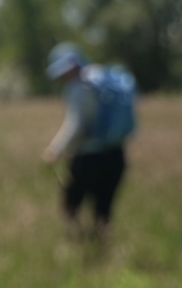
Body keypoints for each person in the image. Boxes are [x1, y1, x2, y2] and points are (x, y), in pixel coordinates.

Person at [42, 43, 133, 241]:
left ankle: (74, 245)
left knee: (71, 204)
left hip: (88, 157)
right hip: (116, 154)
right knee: (104, 208)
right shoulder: (103, 78)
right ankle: (104, 247)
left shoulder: (78, 88)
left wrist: (55, 149)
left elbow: (75, 124)